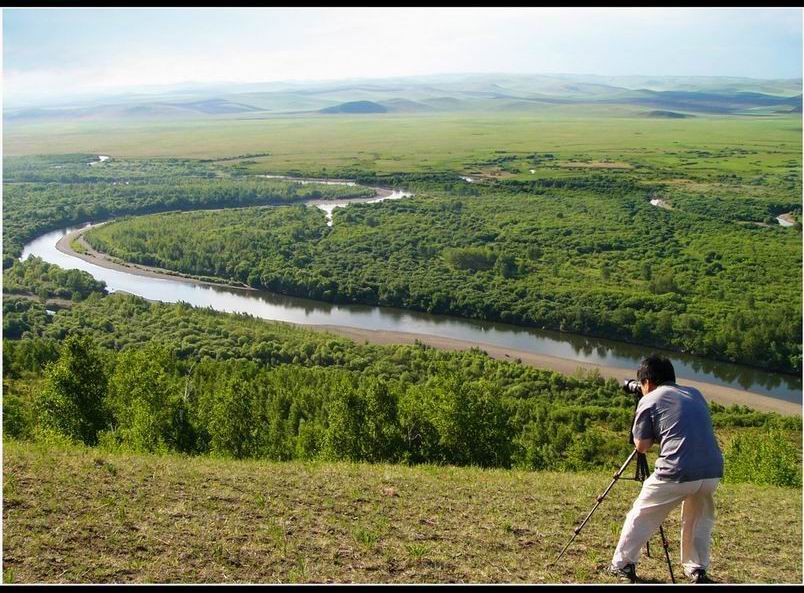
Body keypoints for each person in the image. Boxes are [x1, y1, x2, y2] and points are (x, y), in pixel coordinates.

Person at [608, 354, 724, 584]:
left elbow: (641, 446)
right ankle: (696, 569)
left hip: (676, 471)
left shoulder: (649, 399)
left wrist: (641, 410)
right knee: (698, 519)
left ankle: (622, 565)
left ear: (647, 383)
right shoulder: (694, 393)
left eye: (641, 385)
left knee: (642, 514)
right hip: (712, 471)